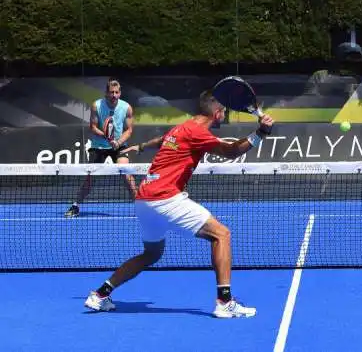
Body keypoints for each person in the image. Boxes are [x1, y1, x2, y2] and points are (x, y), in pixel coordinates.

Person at [83, 90, 274, 318]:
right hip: (165, 197)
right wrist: (261, 132)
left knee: (151, 254)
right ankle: (225, 302)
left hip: (144, 199)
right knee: (221, 234)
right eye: (225, 110)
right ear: (217, 112)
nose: (226, 115)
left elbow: (163, 140)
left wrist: (141, 147)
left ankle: (100, 295)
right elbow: (231, 151)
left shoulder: (182, 127)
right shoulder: (198, 132)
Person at [65, 78, 137, 217]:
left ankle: (141, 208)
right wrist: (108, 138)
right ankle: (75, 206)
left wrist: (118, 142)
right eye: (111, 92)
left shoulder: (126, 107)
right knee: (91, 179)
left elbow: (129, 130)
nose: (114, 95)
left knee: (127, 176)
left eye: (116, 92)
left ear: (120, 93)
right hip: (99, 146)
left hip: (120, 146)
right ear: (106, 93)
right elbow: (92, 127)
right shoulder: (96, 106)